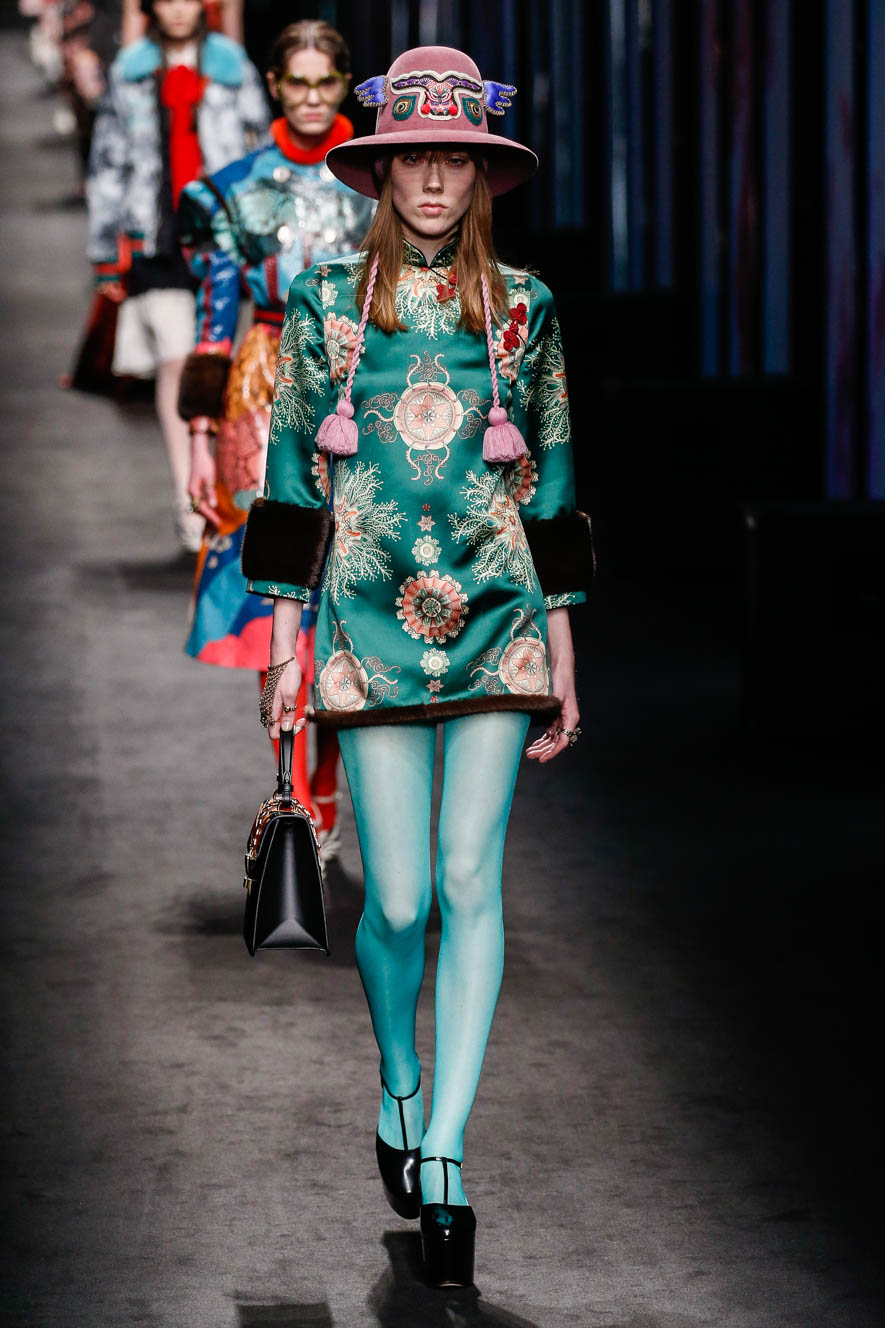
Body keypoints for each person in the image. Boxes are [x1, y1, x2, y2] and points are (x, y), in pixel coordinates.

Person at [241, 46, 593, 1287]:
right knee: (393, 901)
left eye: (455, 158)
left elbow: (552, 474)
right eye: (414, 158)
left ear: (481, 173)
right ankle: (399, 1076)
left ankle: (445, 1147)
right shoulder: (328, 302)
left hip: (497, 612)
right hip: (366, 617)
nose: (434, 180)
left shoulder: (526, 308)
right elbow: (291, 474)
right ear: (381, 170)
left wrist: (562, 643)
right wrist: (283, 645)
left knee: (468, 878)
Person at [175, 19, 374, 852]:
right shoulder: (231, 191)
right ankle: (297, 790)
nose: (312, 98)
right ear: (273, 86)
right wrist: (198, 435)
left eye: (325, 82)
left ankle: (323, 785)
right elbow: (214, 316)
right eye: (297, 83)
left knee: (353, 593)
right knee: (277, 596)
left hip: (365, 391)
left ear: (344, 84)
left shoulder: (379, 181)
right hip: (261, 393)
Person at [86, 0, 268, 552]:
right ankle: (189, 490)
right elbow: (108, 159)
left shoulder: (233, 66)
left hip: (222, 237)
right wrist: (105, 249)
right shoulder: (130, 71)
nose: (180, 8)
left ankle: (225, 481)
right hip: (158, 235)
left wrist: (263, 233)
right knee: (175, 359)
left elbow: (261, 150)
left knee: (218, 360)